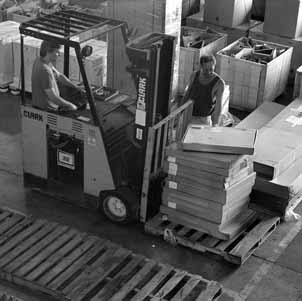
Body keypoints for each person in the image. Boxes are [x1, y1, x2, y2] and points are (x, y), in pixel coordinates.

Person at [31, 40, 79, 111]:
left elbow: (59, 76)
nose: (59, 54)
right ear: (49, 51)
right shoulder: (44, 70)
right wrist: (70, 105)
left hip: (49, 106)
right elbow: (53, 97)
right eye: (57, 52)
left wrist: (75, 87)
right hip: (46, 109)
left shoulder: (42, 60)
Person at [183, 54, 225, 126]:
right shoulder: (194, 75)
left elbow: (218, 107)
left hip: (203, 120)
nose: (208, 72)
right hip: (189, 115)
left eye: (211, 69)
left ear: (214, 66)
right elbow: (187, 94)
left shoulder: (219, 83)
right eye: (206, 70)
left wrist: (215, 124)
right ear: (201, 67)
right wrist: (181, 112)